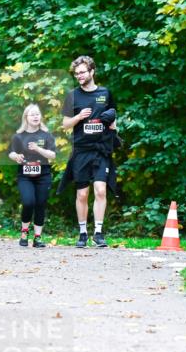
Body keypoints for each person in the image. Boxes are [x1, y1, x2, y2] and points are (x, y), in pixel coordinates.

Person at [59, 55, 117, 248]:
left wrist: (112, 126)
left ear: (92, 71)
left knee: (100, 190)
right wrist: (78, 117)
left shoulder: (105, 93)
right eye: (76, 73)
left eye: (82, 72)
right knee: (82, 194)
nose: (79, 76)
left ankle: (98, 234)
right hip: (81, 151)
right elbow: (65, 124)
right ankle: (83, 233)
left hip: (101, 150)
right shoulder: (72, 96)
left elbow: (113, 116)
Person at [8, 104, 56, 248]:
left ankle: (37, 237)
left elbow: (52, 155)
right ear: (26, 118)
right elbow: (11, 152)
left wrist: (38, 148)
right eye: (32, 114)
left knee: (40, 204)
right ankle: (24, 232)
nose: (36, 117)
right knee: (28, 202)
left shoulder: (46, 135)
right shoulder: (18, 136)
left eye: (38, 114)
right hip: (25, 176)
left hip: (43, 175)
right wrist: (16, 156)